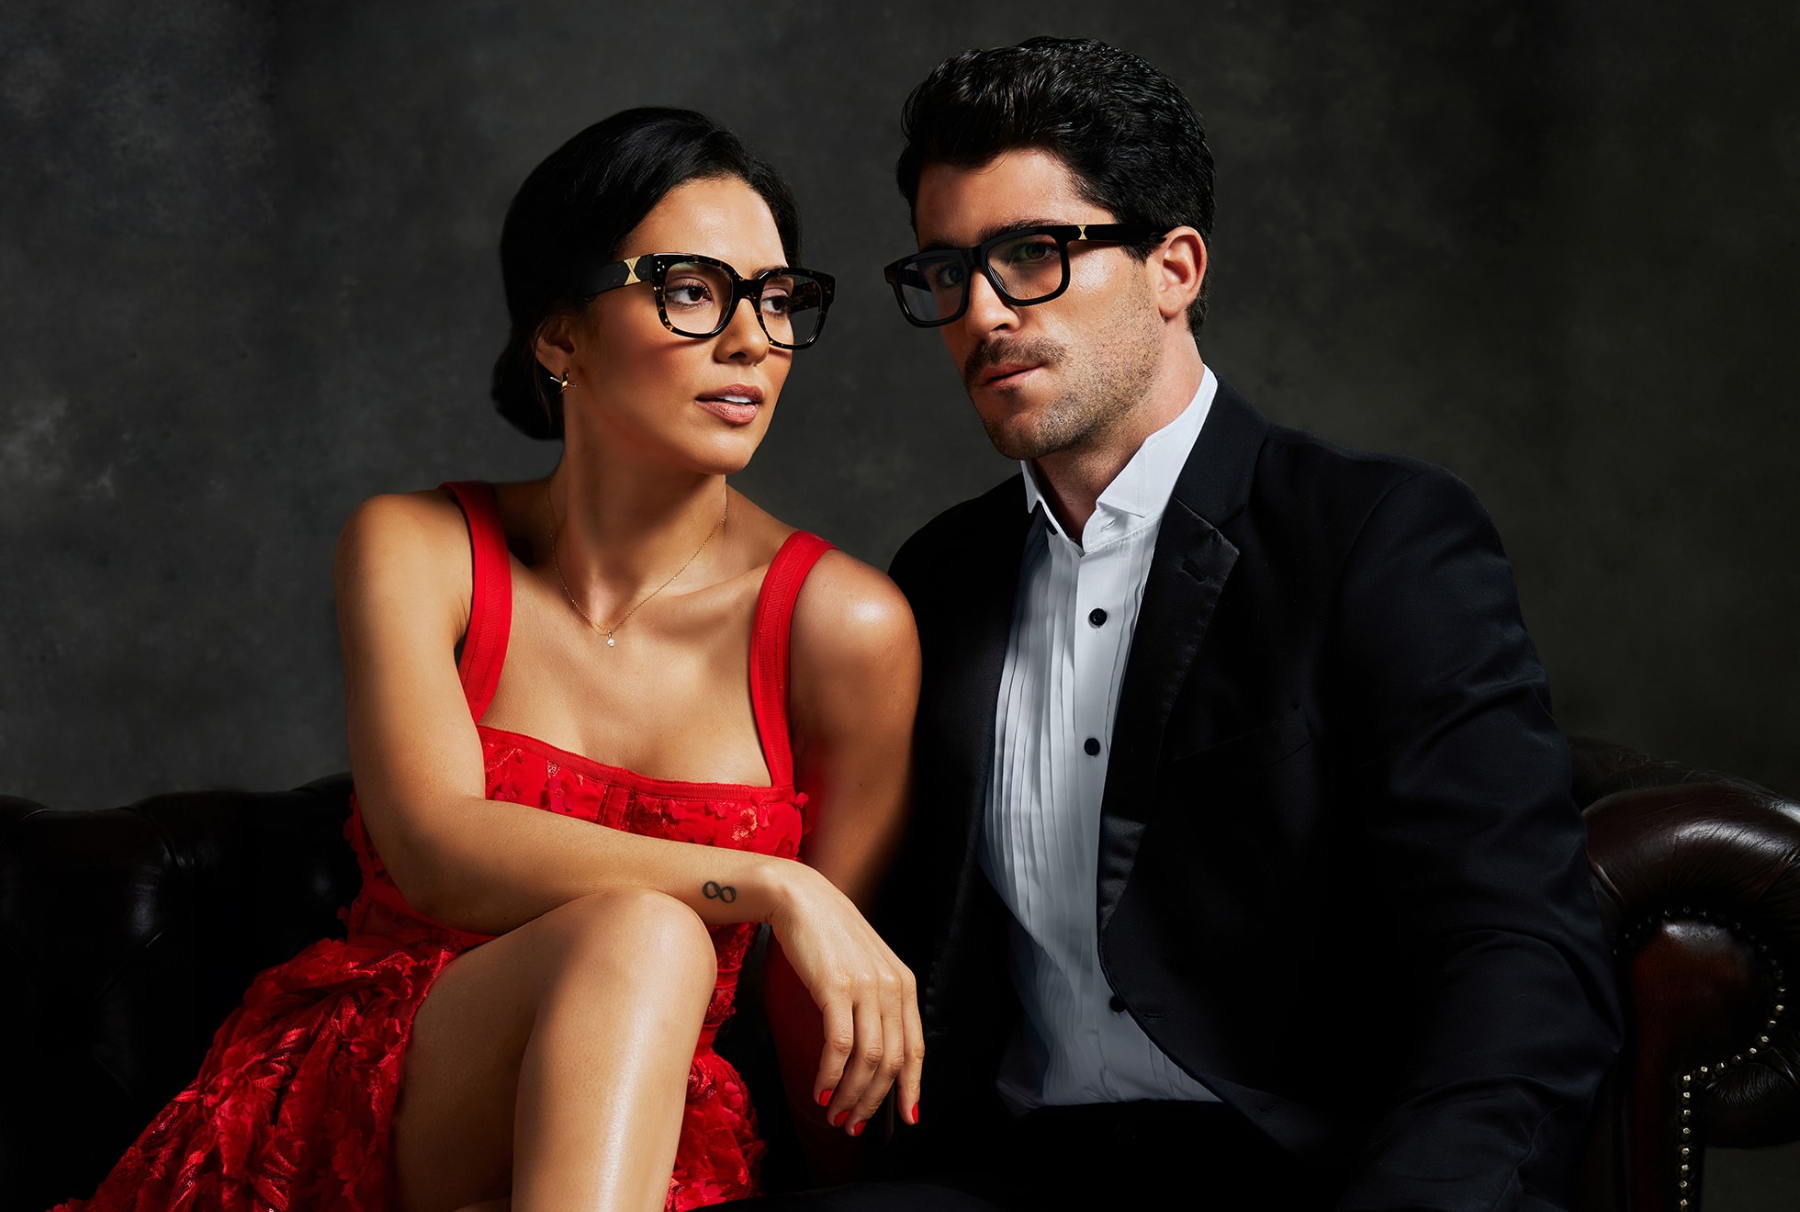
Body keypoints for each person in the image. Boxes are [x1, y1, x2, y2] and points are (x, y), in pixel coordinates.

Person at [52, 108, 924, 1212]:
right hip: (383, 1090)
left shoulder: (842, 626)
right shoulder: (418, 548)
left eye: (778, 298)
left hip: (645, 1132)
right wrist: (767, 881)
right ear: (558, 335)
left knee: (647, 958)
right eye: (693, 290)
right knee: (648, 929)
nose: (752, 338)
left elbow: (826, 1009)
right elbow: (436, 848)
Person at [868, 37, 1622, 1212]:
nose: (981, 312)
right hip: (1011, 1174)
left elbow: (1518, 955)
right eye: (948, 270)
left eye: (1031, 255)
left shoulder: (1378, 534)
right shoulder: (942, 577)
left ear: (1174, 268)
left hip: (1305, 1173)